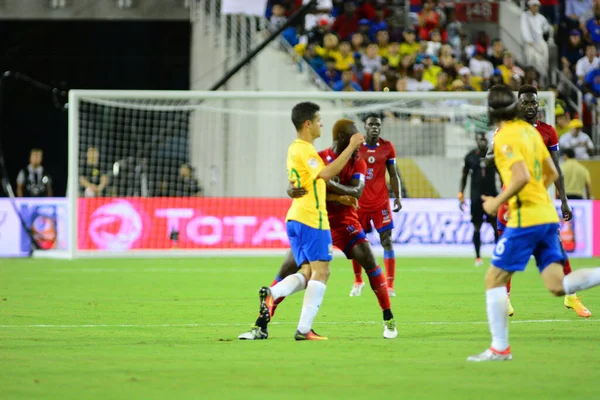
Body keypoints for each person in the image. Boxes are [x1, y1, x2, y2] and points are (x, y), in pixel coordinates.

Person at [468, 84, 600, 362]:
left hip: (524, 216)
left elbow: (519, 177)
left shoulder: (507, 134)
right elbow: (551, 171)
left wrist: (497, 202)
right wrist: (538, 195)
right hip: (545, 213)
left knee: (493, 278)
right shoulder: (530, 132)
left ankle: (500, 348)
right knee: (556, 283)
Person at [238, 119, 397, 340]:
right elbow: (302, 182)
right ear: (342, 139)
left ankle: (388, 319)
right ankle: (260, 325)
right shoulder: (319, 157)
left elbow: (357, 191)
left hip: (345, 223)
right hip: (314, 220)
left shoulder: (357, 161)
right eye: (354, 141)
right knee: (289, 269)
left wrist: (331, 189)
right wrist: (296, 187)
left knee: (369, 261)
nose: (359, 147)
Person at [248, 102, 363, 341]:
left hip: (296, 218)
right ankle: (303, 329)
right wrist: (351, 147)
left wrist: (337, 196)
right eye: (319, 120)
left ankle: (273, 294)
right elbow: (326, 174)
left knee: (309, 272)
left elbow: (308, 182)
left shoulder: (294, 149)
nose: (322, 124)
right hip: (313, 218)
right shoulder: (306, 150)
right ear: (308, 124)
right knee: (323, 272)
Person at [494, 85, 590, 318]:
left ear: (539, 104)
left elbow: (556, 168)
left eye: (534, 102)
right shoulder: (508, 129)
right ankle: (504, 299)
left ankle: (571, 296)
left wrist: (564, 201)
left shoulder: (548, 132)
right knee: (505, 254)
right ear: (518, 105)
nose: (530, 106)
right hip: (512, 200)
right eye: (525, 102)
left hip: (538, 200)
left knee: (557, 249)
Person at [351, 115, 402, 297]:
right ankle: (358, 281)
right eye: (371, 124)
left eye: (377, 125)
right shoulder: (356, 147)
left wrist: (398, 196)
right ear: (364, 127)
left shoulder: (387, 147)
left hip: (381, 203)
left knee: (386, 241)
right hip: (360, 203)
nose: (374, 127)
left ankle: (389, 286)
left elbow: (393, 174)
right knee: (356, 243)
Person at [459, 133, 499, 267]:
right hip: (476, 197)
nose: (482, 142)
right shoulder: (470, 157)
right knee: (477, 226)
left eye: (484, 139)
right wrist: (461, 194)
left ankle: (498, 255)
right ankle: (477, 257)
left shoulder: (494, 155)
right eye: (479, 139)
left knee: (496, 225)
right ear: (476, 141)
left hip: (492, 196)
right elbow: (464, 176)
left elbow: (503, 174)